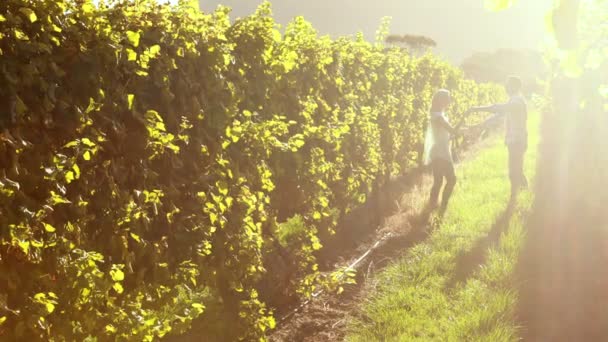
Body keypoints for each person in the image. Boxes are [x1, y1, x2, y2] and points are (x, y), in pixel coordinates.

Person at [467, 76, 528, 201]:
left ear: (514, 86)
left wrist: (477, 109)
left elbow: (498, 108)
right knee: (517, 170)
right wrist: (478, 126)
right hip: (515, 140)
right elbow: (497, 116)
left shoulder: (516, 101)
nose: (506, 87)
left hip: (517, 141)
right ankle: (521, 195)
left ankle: (514, 198)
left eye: (508, 85)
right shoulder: (513, 100)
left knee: (514, 171)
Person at [424, 89, 460, 211]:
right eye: (447, 99)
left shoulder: (438, 115)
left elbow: (446, 133)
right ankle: (442, 205)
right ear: (441, 100)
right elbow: (451, 129)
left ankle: (432, 206)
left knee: (438, 181)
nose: (449, 101)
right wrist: (460, 128)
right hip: (440, 152)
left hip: (439, 151)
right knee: (451, 179)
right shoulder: (438, 117)